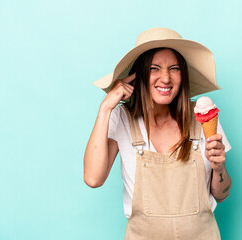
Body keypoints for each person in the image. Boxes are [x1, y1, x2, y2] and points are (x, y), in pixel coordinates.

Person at [84, 27, 232, 240]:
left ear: (183, 75)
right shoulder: (122, 119)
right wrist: (105, 108)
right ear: (140, 74)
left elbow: (222, 194)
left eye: (174, 68)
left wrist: (219, 167)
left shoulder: (203, 116)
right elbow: (93, 178)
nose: (165, 78)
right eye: (154, 68)